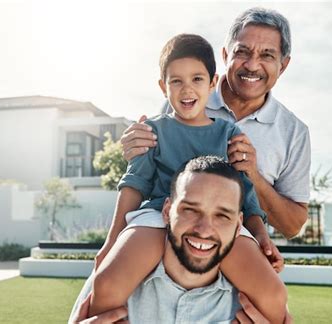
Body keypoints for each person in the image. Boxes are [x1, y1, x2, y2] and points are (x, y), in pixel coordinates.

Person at [88, 34, 286, 323]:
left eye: (196, 79)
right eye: (176, 81)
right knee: (106, 283)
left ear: (212, 82)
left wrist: (261, 237)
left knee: (273, 294)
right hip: (157, 215)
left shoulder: (229, 134)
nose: (186, 89)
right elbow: (134, 184)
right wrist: (110, 242)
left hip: (219, 220)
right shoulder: (151, 130)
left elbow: (246, 193)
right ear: (162, 86)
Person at [122, 7, 311, 239]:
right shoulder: (186, 99)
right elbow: (147, 175)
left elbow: (292, 228)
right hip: (170, 238)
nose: (252, 65)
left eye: (267, 55)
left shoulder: (294, 133)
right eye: (242, 52)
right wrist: (136, 148)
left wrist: (252, 175)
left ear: (283, 65)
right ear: (225, 56)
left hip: (235, 243)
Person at [71, 156, 289, 323]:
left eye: (222, 215)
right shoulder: (110, 284)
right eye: (190, 210)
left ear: (238, 225)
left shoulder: (256, 308)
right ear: (166, 211)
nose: (204, 230)